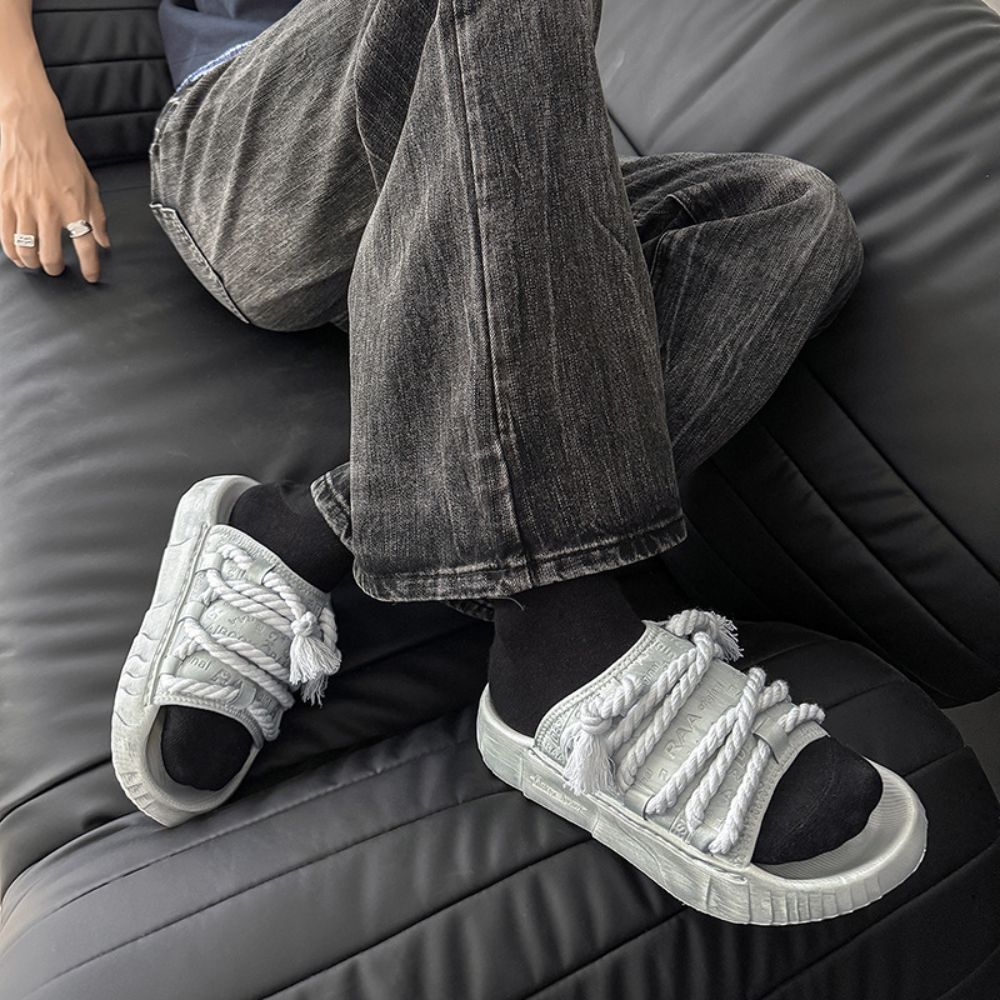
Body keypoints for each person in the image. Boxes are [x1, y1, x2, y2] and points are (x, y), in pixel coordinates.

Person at [0, 0, 927, 925]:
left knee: (793, 218)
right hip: (258, 163)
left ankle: (314, 526)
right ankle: (555, 641)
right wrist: (22, 111)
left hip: (451, 181)